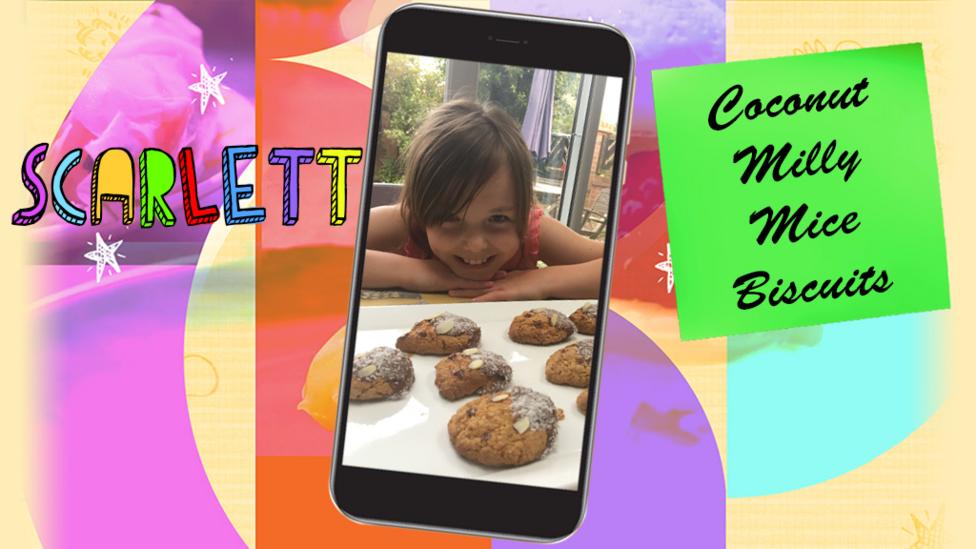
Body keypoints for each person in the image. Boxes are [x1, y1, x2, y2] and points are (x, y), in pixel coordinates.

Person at [364, 99, 604, 301]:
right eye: (450, 218)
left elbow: (624, 267)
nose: (476, 245)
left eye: (498, 218)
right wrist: (413, 272)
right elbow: (337, 247)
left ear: (522, 209)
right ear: (421, 207)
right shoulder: (410, 220)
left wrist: (543, 280)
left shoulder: (531, 230)